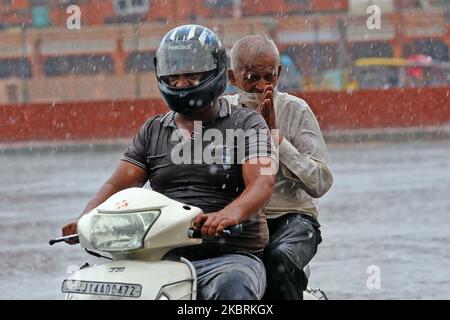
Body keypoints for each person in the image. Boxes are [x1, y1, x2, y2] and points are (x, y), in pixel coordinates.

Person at [62, 25, 276, 300]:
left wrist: (228, 215)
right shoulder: (153, 130)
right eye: (174, 75)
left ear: (215, 71)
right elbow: (116, 183)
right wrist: (86, 217)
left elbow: (264, 182)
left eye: (191, 74)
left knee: (232, 292)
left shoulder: (248, 123)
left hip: (230, 257)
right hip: (160, 257)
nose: (182, 83)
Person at [225, 35, 334, 300]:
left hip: (293, 219)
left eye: (269, 77)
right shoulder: (221, 114)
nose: (262, 86)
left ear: (279, 73)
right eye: (251, 78)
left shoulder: (297, 111)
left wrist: (276, 139)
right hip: (239, 219)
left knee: (280, 258)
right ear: (232, 77)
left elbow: (320, 181)